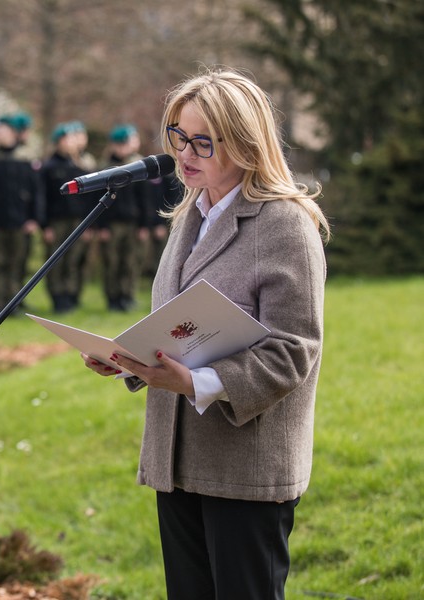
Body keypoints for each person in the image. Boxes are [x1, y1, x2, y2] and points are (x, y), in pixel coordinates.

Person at [82, 67, 330, 600]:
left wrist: (195, 383)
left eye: (202, 141)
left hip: (247, 465)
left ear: (244, 143)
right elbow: (180, 326)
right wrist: (129, 358)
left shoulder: (285, 225)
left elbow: (295, 351)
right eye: (177, 136)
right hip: (177, 460)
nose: (184, 154)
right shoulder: (188, 214)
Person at [0, 114, 43, 315]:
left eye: (2, 131)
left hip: (21, 221)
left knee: (17, 264)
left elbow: (36, 191)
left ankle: (15, 304)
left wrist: (35, 218)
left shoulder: (26, 158)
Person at [39, 121, 99, 313]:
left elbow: (91, 197)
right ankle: (58, 297)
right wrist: (45, 225)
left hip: (79, 220)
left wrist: (90, 224)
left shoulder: (81, 166)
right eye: (67, 138)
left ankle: (72, 295)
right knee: (56, 259)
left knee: (75, 259)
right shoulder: (49, 166)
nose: (72, 142)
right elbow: (43, 197)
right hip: (57, 221)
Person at [96, 123, 151, 311]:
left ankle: (127, 296)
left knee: (131, 262)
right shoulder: (105, 167)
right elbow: (96, 201)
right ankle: (112, 298)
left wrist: (144, 224)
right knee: (112, 263)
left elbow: (145, 198)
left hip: (133, 223)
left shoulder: (138, 166)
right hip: (111, 224)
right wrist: (101, 227)